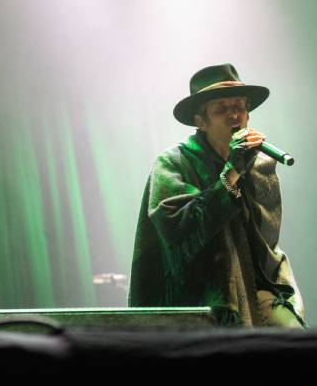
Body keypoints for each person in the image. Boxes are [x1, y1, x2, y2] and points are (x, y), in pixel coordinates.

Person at [128, 64, 305, 327]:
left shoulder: (259, 164)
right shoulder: (174, 162)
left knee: (295, 339)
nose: (234, 115)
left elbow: (266, 238)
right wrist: (231, 173)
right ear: (201, 122)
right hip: (200, 295)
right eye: (221, 109)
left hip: (257, 286)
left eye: (239, 106)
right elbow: (180, 230)